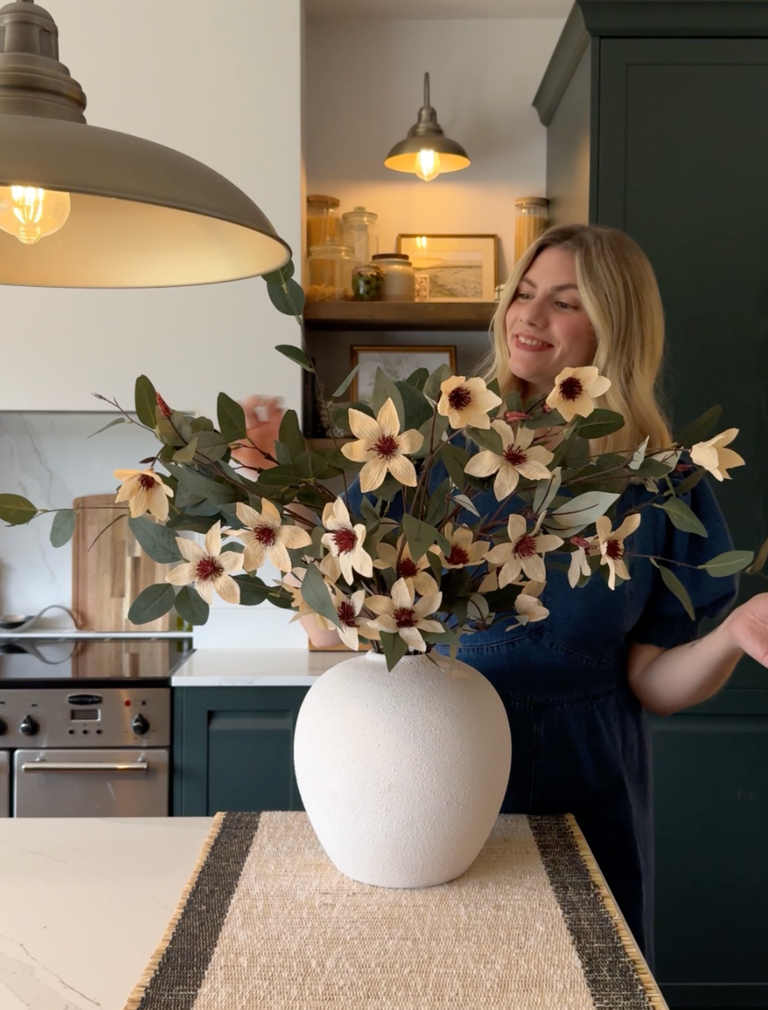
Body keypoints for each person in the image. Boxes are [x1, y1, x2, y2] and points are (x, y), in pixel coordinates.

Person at [234, 224, 768, 970]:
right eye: (522, 292)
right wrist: (276, 495)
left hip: (587, 783)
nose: (529, 315)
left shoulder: (661, 483)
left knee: (580, 976)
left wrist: (734, 632)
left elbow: (657, 685)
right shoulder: (432, 446)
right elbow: (333, 632)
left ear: (614, 328)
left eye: (563, 302)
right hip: (425, 762)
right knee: (435, 974)